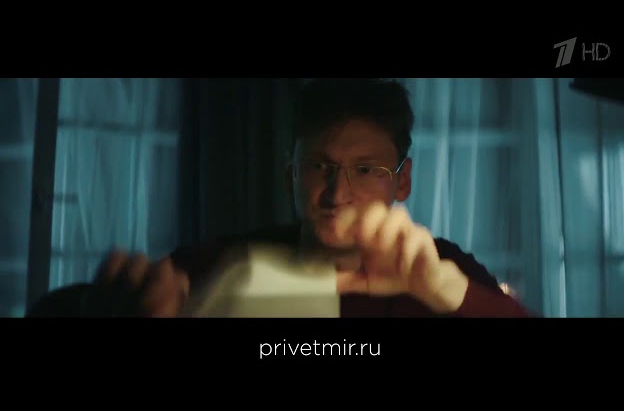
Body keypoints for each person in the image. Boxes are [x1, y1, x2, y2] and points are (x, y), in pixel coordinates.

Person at [27, 78, 532, 318]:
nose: (337, 193)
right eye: (319, 167)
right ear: (291, 174)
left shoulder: (445, 270)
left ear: (402, 182)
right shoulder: (222, 266)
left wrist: (446, 290)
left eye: (365, 170)